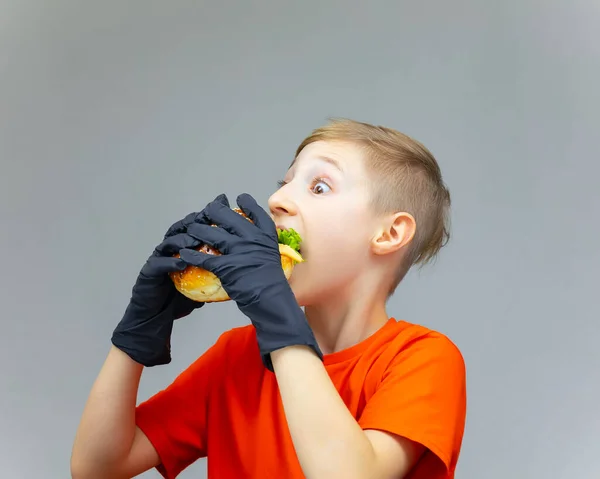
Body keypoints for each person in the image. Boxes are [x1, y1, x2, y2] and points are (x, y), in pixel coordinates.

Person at [70, 118, 467, 479]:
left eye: (319, 186)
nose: (276, 201)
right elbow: (97, 467)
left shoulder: (423, 358)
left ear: (389, 234)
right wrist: (135, 335)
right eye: (284, 183)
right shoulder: (235, 357)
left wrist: (276, 317)